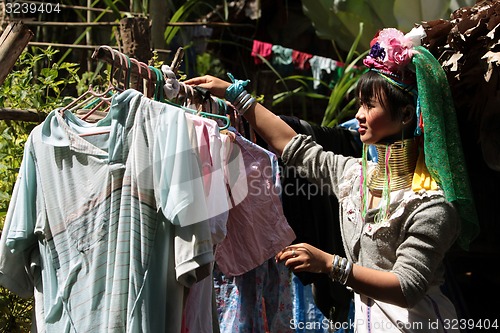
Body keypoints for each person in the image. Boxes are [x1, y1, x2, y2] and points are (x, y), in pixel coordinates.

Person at [184, 26, 479, 332]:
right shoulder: (355, 177)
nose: (360, 115)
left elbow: (407, 286)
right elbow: (295, 147)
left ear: (406, 115)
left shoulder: (431, 208)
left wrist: (330, 264)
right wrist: (239, 98)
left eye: (370, 105)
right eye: (360, 105)